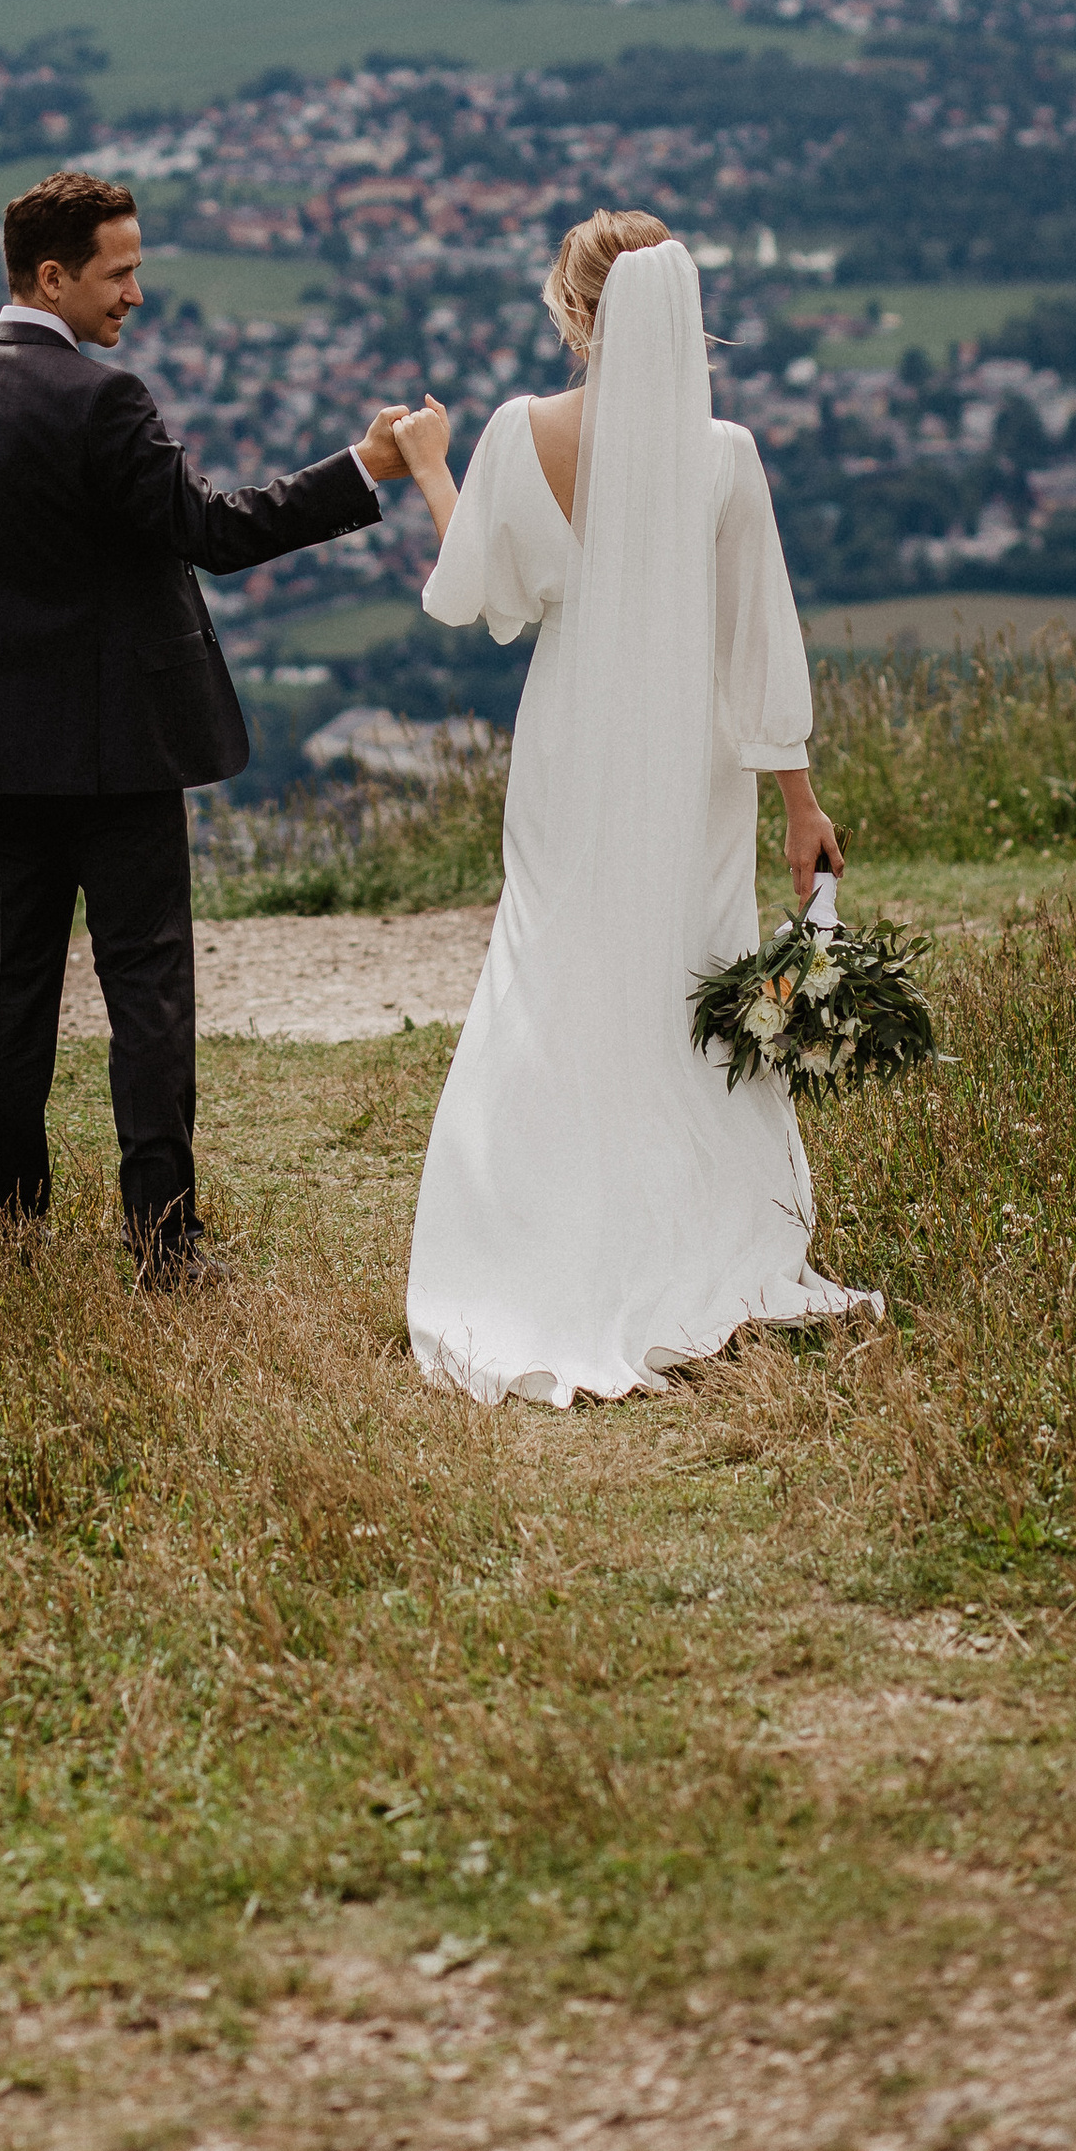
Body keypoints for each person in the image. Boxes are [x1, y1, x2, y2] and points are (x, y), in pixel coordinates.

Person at [0, 167, 414, 1282]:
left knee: (7, 996)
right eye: (117, 273)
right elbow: (212, 532)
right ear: (51, 277)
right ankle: (163, 1243)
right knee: (148, 991)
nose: (136, 293)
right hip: (117, 754)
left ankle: (8, 1237)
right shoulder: (101, 400)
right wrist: (362, 468)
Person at [390, 210, 875, 1404]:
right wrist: (798, 805)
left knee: (551, 968)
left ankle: (534, 1230)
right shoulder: (723, 455)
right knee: (688, 969)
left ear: (574, 311)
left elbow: (479, 592)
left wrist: (429, 464)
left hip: (569, 748)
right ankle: (696, 1227)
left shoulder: (521, 433)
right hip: (691, 762)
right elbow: (759, 643)